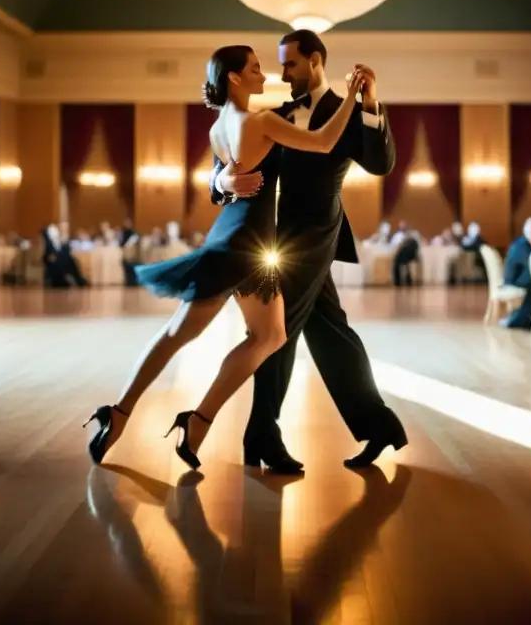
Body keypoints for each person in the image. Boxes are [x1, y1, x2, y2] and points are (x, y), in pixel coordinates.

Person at [84, 45, 365, 470]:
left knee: (188, 334)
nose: (264, 74)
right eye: (255, 68)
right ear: (234, 77)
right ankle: (196, 420)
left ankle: (122, 414)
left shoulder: (219, 126)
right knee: (267, 337)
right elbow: (325, 142)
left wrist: (221, 178)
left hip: (229, 239)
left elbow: (220, 182)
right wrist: (352, 98)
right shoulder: (263, 121)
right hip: (249, 247)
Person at [210, 29, 406, 473]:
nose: (282, 74)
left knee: (275, 332)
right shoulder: (274, 115)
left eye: (290, 65)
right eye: (279, 65)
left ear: (316, 61)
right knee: (330, 332)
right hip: (277, 241)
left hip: (318, 236)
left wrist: (371, 105)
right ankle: (379, 426)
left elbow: (381, 164)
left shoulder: (349, 112)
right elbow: (220, 173)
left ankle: (260, 433)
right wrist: (222, 183)